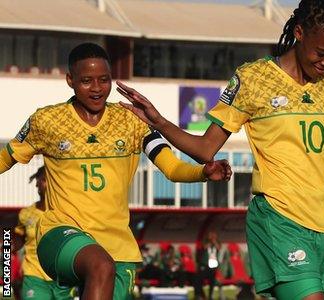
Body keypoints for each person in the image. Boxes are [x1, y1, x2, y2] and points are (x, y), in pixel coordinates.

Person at [116, 0, 324, 298]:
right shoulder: (253, 78)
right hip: (279, 219)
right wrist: (160, 121)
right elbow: (205, 149)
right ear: (299, 33)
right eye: (321, 53)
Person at [0, 42, 232, 299]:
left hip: (118, 246)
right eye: (87, 80)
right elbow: (5, 158)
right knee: (100, 265)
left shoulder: (131, 120)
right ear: (70, 80)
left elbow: (172, 167)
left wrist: (202, 173)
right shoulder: (46, 121)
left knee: (105, 268)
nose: (97, 88)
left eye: (104, 80)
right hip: (61, 234)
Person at [12, 167, 73, 299]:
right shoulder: (26, 214)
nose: (48, 184)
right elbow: (15, 243)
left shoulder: (67, 213)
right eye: (44, 180)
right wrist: (5, 252)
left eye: (52, 181)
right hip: (34, 276)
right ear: (37, 183)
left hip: (63, 279)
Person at [195, 231, 228, 300]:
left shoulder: (217, 242)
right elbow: (204, 246)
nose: (212, 236)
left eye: (214, 235)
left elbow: (219, 248)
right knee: (198, 280)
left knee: (212, 281)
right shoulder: (205, 241)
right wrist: (210, 241)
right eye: (211, 235)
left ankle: (210, 296)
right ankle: (201, 295)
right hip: (204, 265)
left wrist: (214, 240)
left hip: (213, 265)